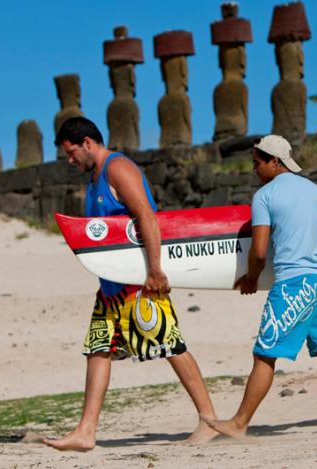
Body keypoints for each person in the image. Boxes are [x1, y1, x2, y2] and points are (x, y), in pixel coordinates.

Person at [43, 117, 217, 451]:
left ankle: (209, 420)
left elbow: (147, 217)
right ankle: (86, 432)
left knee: (171, 346)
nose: (70, 161)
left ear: (88, 143)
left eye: (71, 153)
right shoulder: (94, 177)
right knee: (97, 351)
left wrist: (155, 270)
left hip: (137, 285)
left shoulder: (117, 168)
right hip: (110, 289)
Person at [205, 135, 317, 438]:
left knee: (265, 354)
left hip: (293, 284)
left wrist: (250, 278)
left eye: (257, 163)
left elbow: (258, 251)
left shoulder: (265, 196)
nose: (254, 169)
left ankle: (239, 424)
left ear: (274, 161)